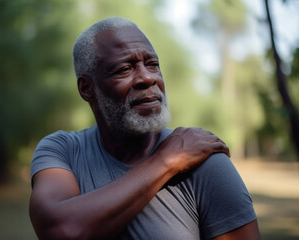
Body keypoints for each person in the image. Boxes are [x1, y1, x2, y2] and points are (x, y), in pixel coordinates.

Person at [29, 17, 261, 240]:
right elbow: (59, 229)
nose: (147, 78)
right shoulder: (63, 151)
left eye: (152, 65)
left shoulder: (204, 161)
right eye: (124, 69)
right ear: (87, 89)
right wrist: (166, 161)